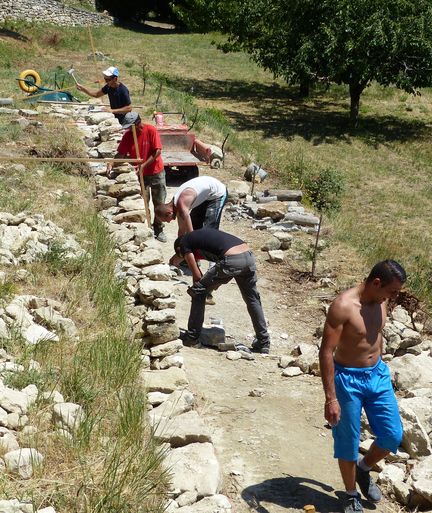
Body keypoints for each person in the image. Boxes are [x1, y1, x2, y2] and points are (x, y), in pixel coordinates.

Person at [319, 260, 406, 513]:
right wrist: (330, 398)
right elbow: (326, 351)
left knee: (392, 435)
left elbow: (374, 336)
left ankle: (364, 468)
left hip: (377, 375)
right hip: (348, 378)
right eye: (392, 291)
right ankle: (349, 494)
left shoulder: (382, 300)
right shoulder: (343, 306)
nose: (394, 297)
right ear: (376, 283)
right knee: (348, 440)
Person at [173, 228, 271, 354]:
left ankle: (192, 338)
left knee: (198, 291)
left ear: (179, 250)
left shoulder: (184, 243)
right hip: (248, 256)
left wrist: (201, 289)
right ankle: (263, 342)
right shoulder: (198, 237)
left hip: (232, 259)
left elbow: (197, 276)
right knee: (252, 299)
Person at [107, 111, 167, 242]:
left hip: (156, 171)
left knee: (159, 201)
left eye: (130, 126)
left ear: (137, 123)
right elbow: (121, 154)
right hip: (141, 175)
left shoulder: (150, 130)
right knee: (143, 201)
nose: (129, 129)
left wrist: (144, 165)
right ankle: (148, 226)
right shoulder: (128, 136)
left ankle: (159, 227)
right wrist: (112, 163)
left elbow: (157, 151)